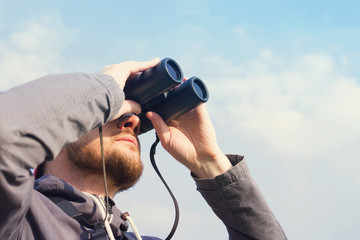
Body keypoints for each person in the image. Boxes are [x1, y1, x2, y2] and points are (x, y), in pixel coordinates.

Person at [0, 58, 287, 240]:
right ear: (59, 130)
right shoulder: (17, 221)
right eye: (110, 115)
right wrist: (103, 91)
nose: (132, 120)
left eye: (134, 119)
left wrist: (211, 164)